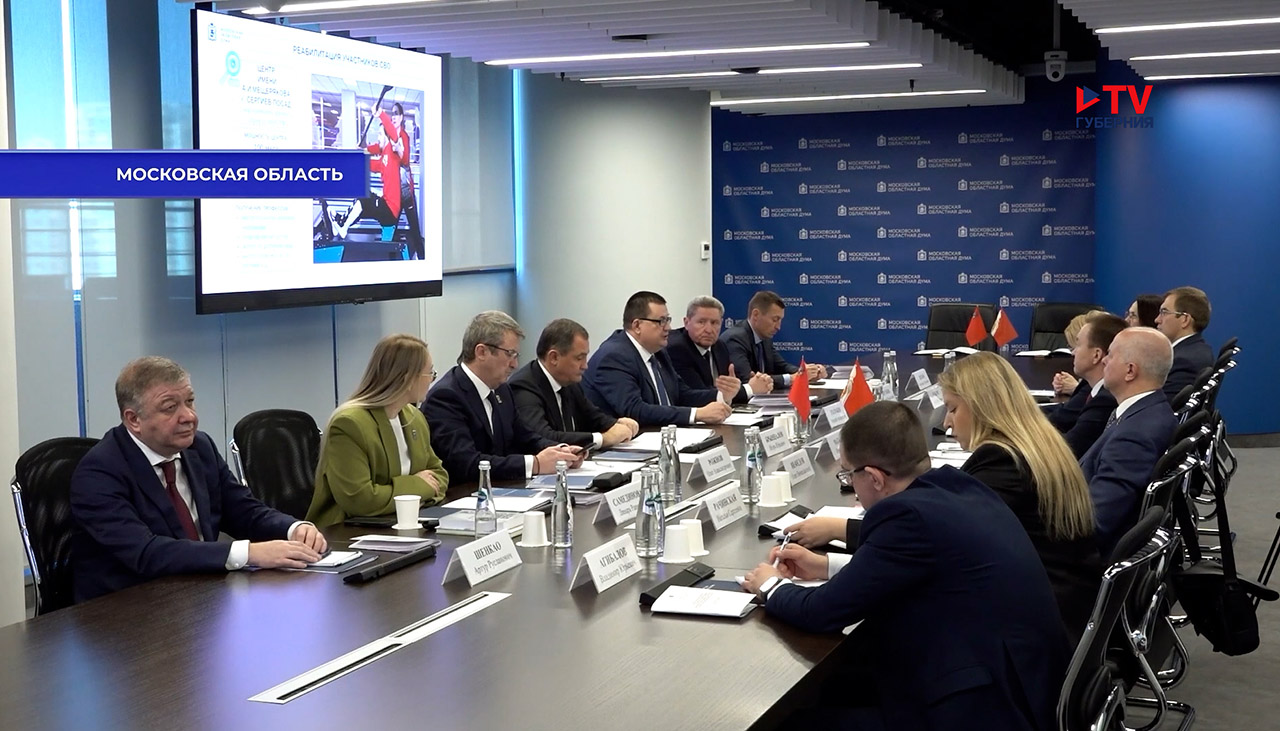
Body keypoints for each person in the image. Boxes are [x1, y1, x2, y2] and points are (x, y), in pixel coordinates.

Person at [742, 402, 1069, 731]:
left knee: (791, 722)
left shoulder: (906, 516)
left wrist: (770, 584)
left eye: (848, 474)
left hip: (980, 709)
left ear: (874, 478)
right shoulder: (958, 486)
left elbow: (821, 612)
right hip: (1024, 685)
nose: (850, 484)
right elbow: (917, 570)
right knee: (841, 683)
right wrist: (826, 566)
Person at [70, 357, 328, 602]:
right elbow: (146, 553)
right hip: (128, 609)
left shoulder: (199, 447)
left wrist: (293, 529)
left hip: (200, 593)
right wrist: (250, 553)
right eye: (170, 408)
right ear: (133, 419)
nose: (189, 417)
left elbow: (243, 511)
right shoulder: (99, 472)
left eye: (190, 402)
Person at [938, 352, 1102, 639]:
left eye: (952, 409)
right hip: (1065, 603)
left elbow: (941, 536)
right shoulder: (1037, 443)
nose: (946, 423)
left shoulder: (1002, 462)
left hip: (1038, 628)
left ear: (980, 407)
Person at [306, 334, 449, 527]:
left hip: (401, 523)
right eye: (430, 373)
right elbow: (360, 500)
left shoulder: (414, 418)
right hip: (348, 531)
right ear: (407, 379)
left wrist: (405, 493)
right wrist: (419, 486)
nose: (432, 379)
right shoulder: (349, 424)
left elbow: (440, 476)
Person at [422, 311, 581, 483]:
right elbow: (465, 462)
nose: (515, 364)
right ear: (481, 352)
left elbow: (525, 437)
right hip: (465, 492)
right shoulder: (446, 397)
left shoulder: (502, 390)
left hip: (503, 488)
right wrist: (534, 464)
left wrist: (561, 452)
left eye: (516, 356)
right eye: (509, 354)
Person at [1081, 327, 1177, 559]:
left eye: (1110, 354)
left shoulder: (1134, 437)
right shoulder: (1148, 412)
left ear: (1130, 371)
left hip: (1077, 562)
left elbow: (1094, 523)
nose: (1104, 360)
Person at [582, 291, 735, 427]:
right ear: (637, 325)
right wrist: (696, 414)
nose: (668, 327)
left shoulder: (659, 352)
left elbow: (681, 394)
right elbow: (634, 410)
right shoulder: (614, 356)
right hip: (625, 443)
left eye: (668, 320)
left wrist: (722, 395)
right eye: (661, 321)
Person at [509, 318, 640, 449]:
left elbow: (593, 417)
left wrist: (616, 423)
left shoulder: (569, 381)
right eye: (579, 358)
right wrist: (603, 439)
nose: (585, 366)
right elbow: (543, 436)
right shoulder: (524, 388)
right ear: (554, 357)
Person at [665, 295, 772, 403]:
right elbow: (699, 395)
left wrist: (760, 381)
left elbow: (729, 386)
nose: (708, 330)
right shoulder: (677, 349)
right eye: (701, 322)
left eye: (714, 323)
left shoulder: (719, 346)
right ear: (686, 323)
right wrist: (750, 389)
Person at [1048, 313, 1126, 457]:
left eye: (1078, 345)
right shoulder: (1094, 389)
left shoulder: (1105, 400)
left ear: (1096, 355)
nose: (1073, 352)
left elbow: (1068, 449)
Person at [721, 290, 826, 390]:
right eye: (775, 320)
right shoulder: (735, 339)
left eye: (780, 320)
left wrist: (807, 372)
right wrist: (792, 378)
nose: (778, 327)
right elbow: (748, 380)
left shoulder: (764, 337)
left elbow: (781, 366)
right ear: (756, 315)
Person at [1155, 285, 1214, 402]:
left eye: (1164, 312)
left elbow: (1161, 408)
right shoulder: (1198, 350)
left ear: (1185, 319)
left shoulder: (1183, 362)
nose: (1157, 320)